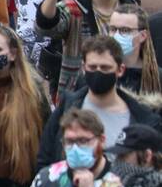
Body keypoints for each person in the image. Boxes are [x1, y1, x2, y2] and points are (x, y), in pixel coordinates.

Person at [38, 35, 161, 169]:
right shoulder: (67, 106)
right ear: (84, 68)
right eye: (92, 67)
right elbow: (44, 157)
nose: (98, 72)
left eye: (105, 67)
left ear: (120, 70)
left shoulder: (142, 117)